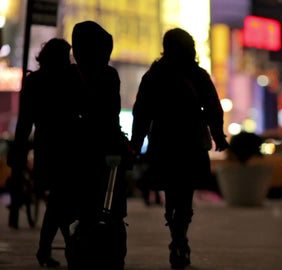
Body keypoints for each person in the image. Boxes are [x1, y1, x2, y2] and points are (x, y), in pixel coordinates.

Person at [130, 28, 229, 269]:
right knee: (185, 194)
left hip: (163, 144)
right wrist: (218, 136)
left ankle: (175, 231)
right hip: (192, 144)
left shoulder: (154, 76)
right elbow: (215, 109)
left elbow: (141, 113)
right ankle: (180, 236)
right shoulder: (198, 75)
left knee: (171, 193)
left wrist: (135, 143)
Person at [65, 21, 128, 270]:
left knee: (78, 212)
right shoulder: (109, 75)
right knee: (110, 211)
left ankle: (79, 254)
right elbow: (111, 117)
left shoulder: (68, 76)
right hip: (104, 154)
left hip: (76, 155)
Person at [7, 38, 72, 267]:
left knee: (58, 199)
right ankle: (62, 247)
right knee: (60, 200)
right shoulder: (69, 79)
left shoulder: (35, 82)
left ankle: (51, 249)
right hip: (65, 148)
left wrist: (19, 151)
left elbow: (25, 123)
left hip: (46, 147)